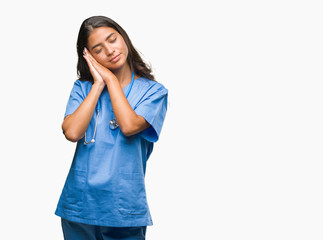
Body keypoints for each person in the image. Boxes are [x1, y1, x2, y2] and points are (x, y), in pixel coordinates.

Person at [55, 16, 168, 240]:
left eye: (112, 39)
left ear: (123, 38)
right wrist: (98, 84)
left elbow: (129, 125)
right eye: (98, 49)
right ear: (89, 57)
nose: (109, 50)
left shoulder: (154, 92)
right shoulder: (83, 88)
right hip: (79, 206)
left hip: (123, 208)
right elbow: (72, 132)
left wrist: (111, 81)